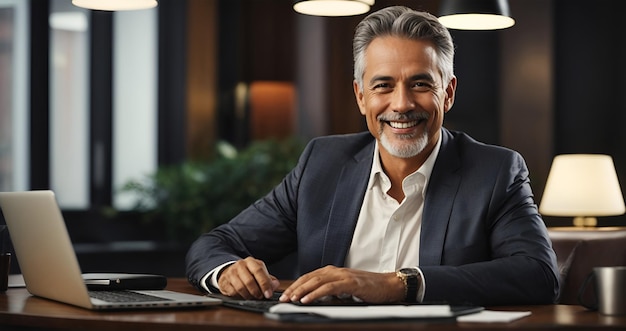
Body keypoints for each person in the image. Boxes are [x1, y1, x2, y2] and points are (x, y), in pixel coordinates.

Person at [186, 6, 560, 306]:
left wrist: (399, 284)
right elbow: (213, 245)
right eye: (383, 85)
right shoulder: (322, 163)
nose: (401, 104)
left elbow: (538, 275)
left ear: (447, 93)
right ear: (361, 95)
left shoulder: (495, 171)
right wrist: (228, 271)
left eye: (420, 84)